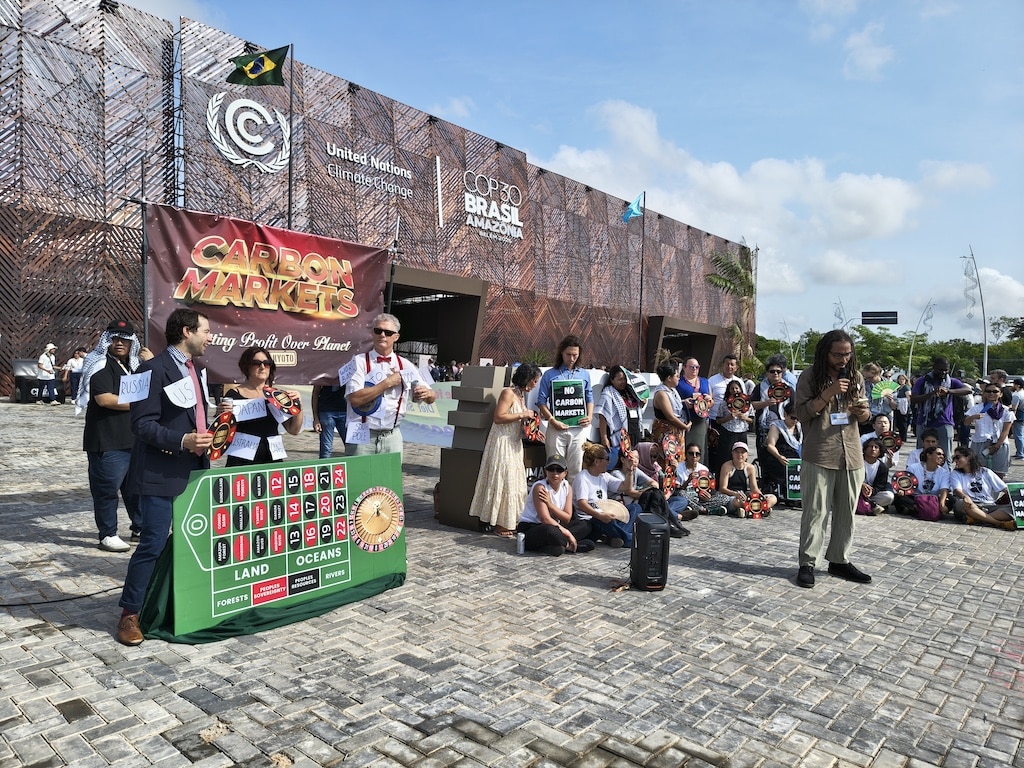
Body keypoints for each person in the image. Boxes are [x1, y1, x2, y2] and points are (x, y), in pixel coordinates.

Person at [116, 308, 213, 646]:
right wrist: (182, 441)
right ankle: (130, 614)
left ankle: (181, 602)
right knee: (153, 544)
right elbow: (140, 425)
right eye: (205, 330)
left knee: (193, 541)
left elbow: (193, 416)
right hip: (159, 472)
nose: (210, 337)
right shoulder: (150, 369)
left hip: (197, 470)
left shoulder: (197, 370)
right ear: (187, 331)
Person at [793, 329, 872, 589]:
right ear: (825, 353)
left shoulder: (856, 376)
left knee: (847, 513)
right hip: (820, 452)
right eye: (837, 355)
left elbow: (866, 416)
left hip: (851, 454)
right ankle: (808, 563)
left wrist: (861, 411)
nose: (843, 360)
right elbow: (802, 414)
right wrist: (828, 393)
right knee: (815, 512)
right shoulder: (809, 377)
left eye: (847, 354)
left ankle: (839, 560)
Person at [78, 320, 152, 553]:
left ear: (132, 342)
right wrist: (141, 404)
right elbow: (104, 399)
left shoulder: (133, 365)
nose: (120, 342)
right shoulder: (100, 364)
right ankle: (107, 534)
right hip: (107, 440)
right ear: (107, 340)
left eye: (125, 339)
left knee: (136, 489)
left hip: (134, 439)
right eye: (115, 338)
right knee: (107, 490)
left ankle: (140, 527)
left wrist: (151, 363)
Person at [343, 313, 436, 458]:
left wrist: (427, 394)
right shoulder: (358, 362)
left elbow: (431, 396)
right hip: (360, 430)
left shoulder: (406, 365)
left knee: (390, 474)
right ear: (372, 333)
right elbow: (355, 399)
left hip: (392, 434)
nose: (382, 335)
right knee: (358, 473)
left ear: (396, 337)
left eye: (388, 332)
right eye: (378, 331)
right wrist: (387, 383)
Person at [468, 363, 542, 538]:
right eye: (534, 381)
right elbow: (498, 417)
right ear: (527, 379)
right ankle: (500, 522)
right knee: (504, 480)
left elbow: (518, 420)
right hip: (502, 441)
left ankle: (510, 520)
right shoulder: (508, 393)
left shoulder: (521, 396)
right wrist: (523, 414)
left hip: (514, 442)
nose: (535, 384)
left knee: (515, 482)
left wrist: (533, 430)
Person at [221, 346, 303, 466]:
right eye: (256, 363)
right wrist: (222, 415)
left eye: (267, 363)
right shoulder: (233, 395)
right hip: (241, 460)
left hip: (272, 460)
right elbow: (222, 433)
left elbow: (293, 429)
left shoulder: (277, 396)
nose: (262, 367)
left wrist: (298, 405)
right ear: (246, 366)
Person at [534, 335, 593, 481]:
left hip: (578, 428)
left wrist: (590, 416)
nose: (572, 358)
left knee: (576, 468)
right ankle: (553, 494)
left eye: (575, 355)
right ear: (561, 352)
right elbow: (541, 401)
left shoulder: (584, 374)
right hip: (556, 427)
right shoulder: (550, 374)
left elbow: (589, 398)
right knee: (555, 467)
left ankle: (572, 496)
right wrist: (552, 420)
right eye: (568, 354)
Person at [516, 453, 592, 555]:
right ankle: (571, 546)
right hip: (533, 527)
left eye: (559, 470)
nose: (555, 473)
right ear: (545, 471)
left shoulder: (567, 487)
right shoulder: (540, 488)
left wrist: (550, 505)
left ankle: (557, 545)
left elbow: (567, 517)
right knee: (551, 531)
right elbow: (545, 519)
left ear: (565, 473)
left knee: (585, 525)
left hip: (555, 525)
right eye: (551, 469)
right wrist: (567, 533)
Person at [571, 443, 641, 547]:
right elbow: (582, 504)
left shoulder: (604, 476)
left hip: (605, 515)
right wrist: (600, 516)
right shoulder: (582, 478)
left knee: (635, 507)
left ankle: (616, 536)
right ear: (597, 462)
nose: (609, 462)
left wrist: (630, 471)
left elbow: (626, 487)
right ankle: (628, 539)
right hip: (591, 519)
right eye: (607, 459)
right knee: (607, 521)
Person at [910, 357, 971, 457]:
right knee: (922, 454)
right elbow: (913, 399)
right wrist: (931, 393)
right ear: (933, 367)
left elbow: (968, 390)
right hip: (924, 421)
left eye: (946, 370)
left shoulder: (952, 381)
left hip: (944, 422)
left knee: (945, 455)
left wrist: (948, 391)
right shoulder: (922, 381)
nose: (943, 372)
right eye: (940, 369)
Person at [949, 447, 1016, 530]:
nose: (955, 460)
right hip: (971, 505)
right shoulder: (956, 474)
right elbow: (957, 490)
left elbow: (1004, 489)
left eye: (957, 457)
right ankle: (998, 523)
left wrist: (1018, 493)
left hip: (989, 505)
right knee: (960, 503)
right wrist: (965, 497)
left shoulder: (985, 472)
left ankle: (978, 518)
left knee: (1014, 508)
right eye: (954, 458)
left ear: (968, 457)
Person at [595, 365, 643, 469]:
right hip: (620, 435)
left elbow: (637, 408)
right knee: (622, 464)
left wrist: (642, 401)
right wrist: (604, 437)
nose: (623, 382)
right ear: (612, 380)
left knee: (633, 463)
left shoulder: (630, 390)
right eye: (620, 379)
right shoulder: (608, 393)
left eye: (625, 379)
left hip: (633, 432)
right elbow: (602, 414)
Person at [650, 362, 691, 485]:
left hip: (676, 431)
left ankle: (677, 485)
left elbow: (674, 407)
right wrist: (685, 427)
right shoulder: (661, 393)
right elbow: (670, 417)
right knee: (666, 461)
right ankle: (664, 486)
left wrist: (684, 402)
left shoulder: (672, 391)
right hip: (665, 432)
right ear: (669, 378)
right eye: (677, 376)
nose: (679, 378)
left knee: (677, 460)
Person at [964, 381, 1014, 479]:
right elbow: (966, 422)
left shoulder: (1006, 411)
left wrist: (996, 446)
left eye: (995, 391)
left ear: (1000, 394)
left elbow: (1006, 431)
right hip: (980, 442)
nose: (991, 394)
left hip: (1000, 443)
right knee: (978, 471)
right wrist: (973, 417)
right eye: (988, 391)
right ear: (984, 393)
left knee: (998, 474)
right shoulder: (977, 408)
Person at [717, 442, 777, 517]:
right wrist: (735, 494)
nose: (740, 455)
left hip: (745, 495)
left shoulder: (750, 468)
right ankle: (759, 509)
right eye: (737, 452)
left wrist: (762, 497)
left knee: (773, 498)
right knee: (738, 502)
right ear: (732, 453)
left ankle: (750, 509)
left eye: (742, 452)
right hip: (731, 496)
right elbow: (722, 488)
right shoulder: (726, 466)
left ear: (747, 455)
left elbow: (754, 488)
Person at [712, 379, 752, 476]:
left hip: (742, 433)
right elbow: (718, 420)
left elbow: (752, 420)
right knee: (725, 458)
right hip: (727, 433)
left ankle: (740, 479)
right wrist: (728, 418)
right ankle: (722, 480)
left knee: (741, 458)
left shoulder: (747, 403)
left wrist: (745, 418)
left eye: (736, 388)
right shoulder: (724, 403)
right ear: (728, 390)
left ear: (740, 389)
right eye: (732, 388)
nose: (734, 390)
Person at [675, 356, 713, 460]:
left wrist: (709, 401)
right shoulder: (678, 382)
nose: (695, 369)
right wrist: (683, 403)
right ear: (684, 367)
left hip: (701, 421)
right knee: (686, 448)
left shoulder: (705, 381)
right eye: (692, 367)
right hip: (685, 420)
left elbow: (712, 401)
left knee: (700, 449)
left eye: (697, 367)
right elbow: (672, 400)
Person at [762, 402, 802, 497]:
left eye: (797, 419)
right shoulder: (776, 426)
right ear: (785, 414)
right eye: (792, 418)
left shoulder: (800, 427)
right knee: (783, 468)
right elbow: (770, 445)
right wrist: (779, 457)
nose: (795, 421)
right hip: (779, 456)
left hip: (797, 457)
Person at [858, 438, 895, 515]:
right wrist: (861, 485)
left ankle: (866, 503)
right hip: (858, 490)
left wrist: (871, 492)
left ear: (880, 451)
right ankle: (871, 505)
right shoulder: (858, 462)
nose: (873, 449)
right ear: (865, 449)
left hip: (872, 493)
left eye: (876, 447)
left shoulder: (883, 467)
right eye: (870, 446)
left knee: (889, 497)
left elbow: (880, 485)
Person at [312, 384, 347, 459]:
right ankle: (325, 466)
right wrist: (316, 418)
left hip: (345, 411)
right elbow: (316, 392)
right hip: (327, 411)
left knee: (351, 446)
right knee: (326, 449)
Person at [893, 373, 912, 443]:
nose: (901, 381)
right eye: (900, 379)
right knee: (898, 423)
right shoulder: (897, 387)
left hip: (904, 407)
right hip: (897, 407)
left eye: (903, 379)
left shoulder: (906, 387)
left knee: (903, 423)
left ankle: (903, 438)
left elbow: (909, 397)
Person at [1011, 378, 1024, 460]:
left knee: (1018, 435)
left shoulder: (1016, 395)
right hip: (1023, 414)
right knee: (1021, 435)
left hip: (1018, 416)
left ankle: (1020, 453)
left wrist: (1012, 418)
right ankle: (1021, 452)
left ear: (1017, 385)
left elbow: (1014, 408)